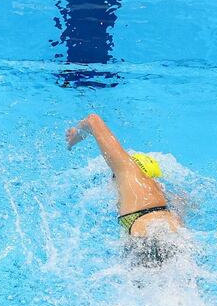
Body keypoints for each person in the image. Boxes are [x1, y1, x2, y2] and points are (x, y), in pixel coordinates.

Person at [66, 113, 182, 265]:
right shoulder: (164, 200)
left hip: (147, 239)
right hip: (176, 244)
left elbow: (93, 120)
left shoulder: (129, 173)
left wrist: (74, 136)